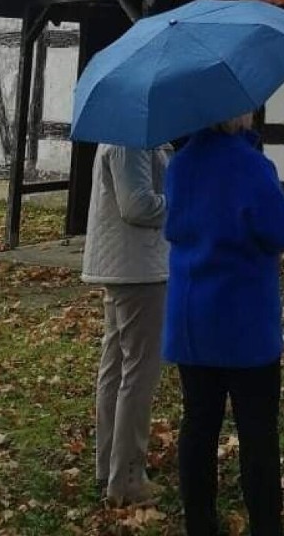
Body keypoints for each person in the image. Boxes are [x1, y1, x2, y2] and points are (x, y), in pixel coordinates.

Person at [162, 112, 284, 536]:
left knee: (198, 424)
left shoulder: (180, 163)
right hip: (244, 323)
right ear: (237, 113)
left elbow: (174, 227)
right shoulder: (250, 164)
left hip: (193, 318)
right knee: (257, 432)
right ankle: (265, 526)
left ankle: (200, 524)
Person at [81, 144, 170, 505]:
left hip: (126, 265)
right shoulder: (130, 138)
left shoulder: (129, 134)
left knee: (117, 368)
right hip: (137, 268)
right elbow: (136, 206)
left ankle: (111, 467)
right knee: (137, 373)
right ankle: (128, 478)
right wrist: (181, 202)